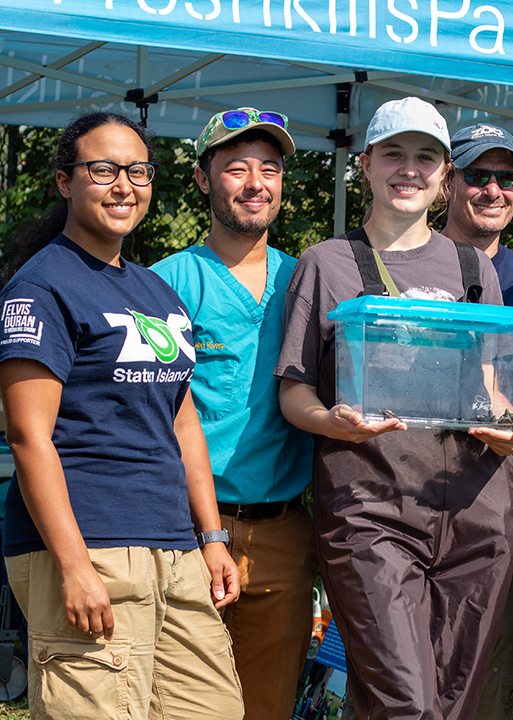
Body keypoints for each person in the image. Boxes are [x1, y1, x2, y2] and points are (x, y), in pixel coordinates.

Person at [274, 96, 513, 720]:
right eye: (393, 153)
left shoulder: (474, 267)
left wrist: (511, 424)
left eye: (426, 157)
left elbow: (494, 387)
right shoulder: (326, 264)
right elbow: (294, 391)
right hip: (371, 510)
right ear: (364, 164)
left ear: (445, 173)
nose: (408, 169)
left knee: (456, 701)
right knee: (403, 702)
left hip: (479, 510)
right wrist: (329, 420)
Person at [0, 112, 244, 719]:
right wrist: (74, 565)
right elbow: (28, 436)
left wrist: (210, 537)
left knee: (214, 709)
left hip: (174, 547)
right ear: (65, 182)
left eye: (138, 171)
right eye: (102, 169)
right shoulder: (41, 288)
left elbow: (181, 419)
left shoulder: (154, 291)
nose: (123, 185)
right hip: (90, 543)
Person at [151, 107, 316, 720]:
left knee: (268, 705)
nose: (255, 183)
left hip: (284, 531)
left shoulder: (307, 282)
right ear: (201, 179)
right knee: (183, 706)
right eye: (236, 168)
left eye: (269, 169)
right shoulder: (162, 285)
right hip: (186, 532)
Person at [441, 122, 513, 720]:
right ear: (447, 182)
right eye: (477, 175)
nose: (493, 190)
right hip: (418, 502)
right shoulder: (405, 266)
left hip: (508, 506)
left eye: (506, 177)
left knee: (496, 666)